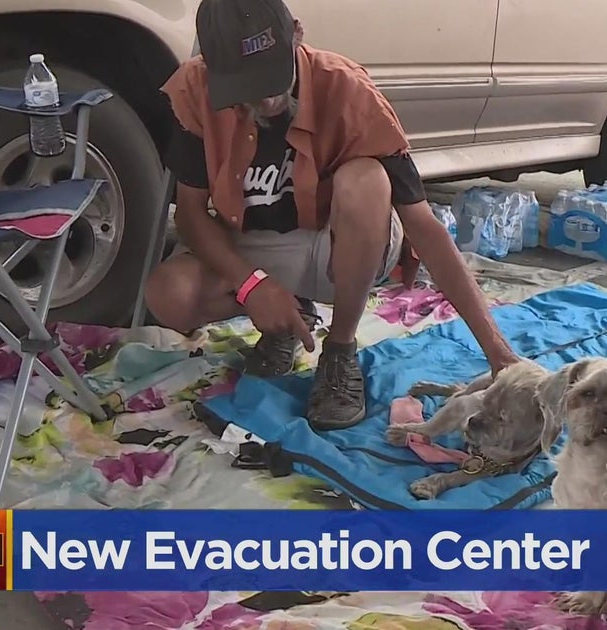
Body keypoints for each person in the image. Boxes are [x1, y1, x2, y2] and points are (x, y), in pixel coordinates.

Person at [148, 0, 521, 431]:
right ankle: (288, 319)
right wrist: (252, 285)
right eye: (246, 86)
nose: (267, 98)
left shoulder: (347, 88)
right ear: (211, 68)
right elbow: (192, 216)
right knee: (168, 294)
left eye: (272, 75)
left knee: (365, 181)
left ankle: (340, 350)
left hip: (340, 246)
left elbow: (425, 228)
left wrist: (499, 354)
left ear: (298, 35)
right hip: (258, 248)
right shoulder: (195, 91)